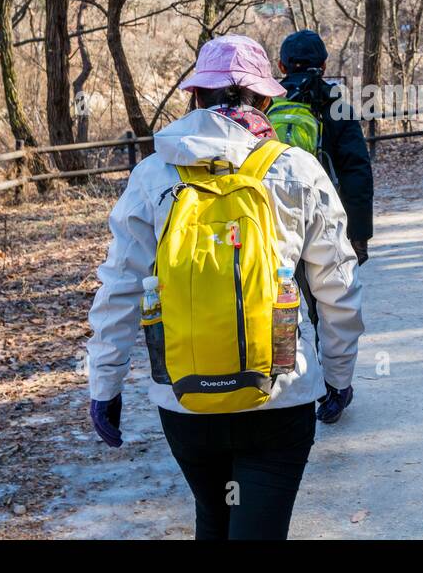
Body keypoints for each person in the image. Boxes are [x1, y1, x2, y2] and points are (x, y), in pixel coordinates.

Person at [86, 35, 364, 540]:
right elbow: (337, 285)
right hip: (279, 396)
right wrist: (338, 377)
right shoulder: (296, 169)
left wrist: (104, 387)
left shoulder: (152, 174)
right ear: (265, 99)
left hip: (184, 399)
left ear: (195, 97)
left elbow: (119, 288)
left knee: (213, 519)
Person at [275, 30, 373, 267]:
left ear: (281, 66)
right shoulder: (338, 108)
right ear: (324, 66)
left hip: (273, 217)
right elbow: (356, 172)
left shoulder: (266, 104)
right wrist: (359, 234)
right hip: (325, 217)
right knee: (331, 298)